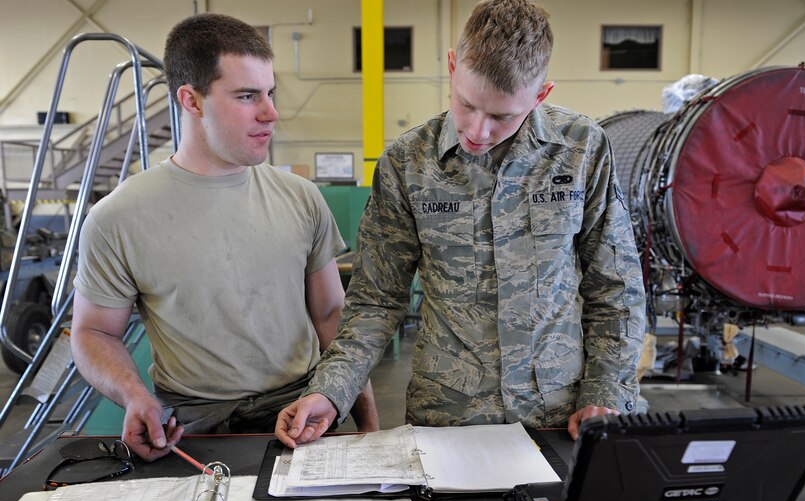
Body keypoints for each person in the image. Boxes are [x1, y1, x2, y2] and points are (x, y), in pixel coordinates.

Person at [275, 0, 644, 447]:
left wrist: (606, 391)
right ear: (452, 65)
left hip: (560, 414)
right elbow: (375, 301)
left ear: (541, 94)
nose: (478, 131)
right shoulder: (408, 163)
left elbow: (616, 287)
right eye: (466, 104)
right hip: (448, 418)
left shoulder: (582, 150)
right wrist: (330, 390)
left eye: (503, 116)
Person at [70, 13, 377, 461]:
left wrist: (368, 423)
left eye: (270, 93)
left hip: (301, 413)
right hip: (190, 428)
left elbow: (332, 313)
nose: (271, 113)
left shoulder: (301, 198)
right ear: (191, 100)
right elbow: (94, 331)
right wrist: (135, 396)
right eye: (247, 96)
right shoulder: (117, 218)